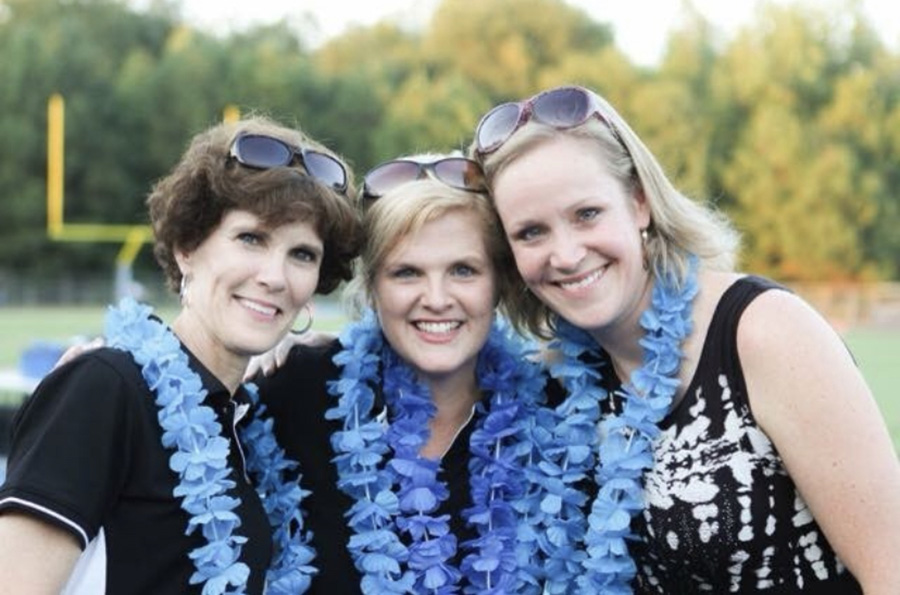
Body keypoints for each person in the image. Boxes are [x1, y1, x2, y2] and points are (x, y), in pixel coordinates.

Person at [468, 84, 900, 594]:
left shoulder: (762, 333)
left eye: (587, 214)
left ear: (639, 205)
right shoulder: (556, 383)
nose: (564, 254)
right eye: (531, 233)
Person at [0, 115, 361, 594]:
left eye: (302, 254)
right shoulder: (104, 387)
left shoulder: (243, 424)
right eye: (251, 238)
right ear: (188, 246)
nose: (274, 276)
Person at [253, 154, 548, 593]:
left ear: (499, 281)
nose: (436, 298)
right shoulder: (296, 393)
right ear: (373, 287)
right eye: (406, 272)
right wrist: (255, 344)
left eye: (463, 270)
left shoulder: (554, 416)